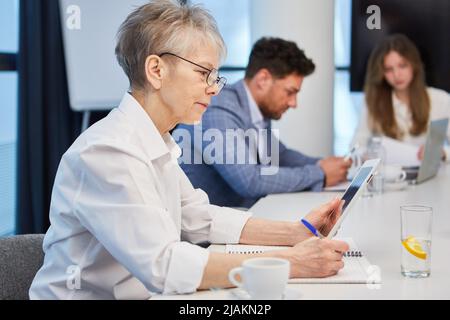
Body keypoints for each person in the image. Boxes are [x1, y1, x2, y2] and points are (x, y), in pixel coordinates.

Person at [29, 0, 348, 300]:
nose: (213, 87)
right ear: (156, 70)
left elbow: (200, 218)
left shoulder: (159, 141)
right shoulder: (107, 152)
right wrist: (291, 262)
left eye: (215, 75)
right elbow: (164, 264)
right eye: (202, 72)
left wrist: (296, 232)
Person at [176, 37, 351, 209]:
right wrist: (320, 173)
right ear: (263, 79)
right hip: (206, 229)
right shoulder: (217, 108)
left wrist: (322, 164)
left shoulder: (255, 111)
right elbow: (249, 180)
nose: (293, 103)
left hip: (242, 214)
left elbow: (280, 154)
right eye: (290, 92)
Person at [352, 34, 450, 162]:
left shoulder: (440, 99)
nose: (397, 75)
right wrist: (364, 154)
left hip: (432, 179)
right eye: (388, 69)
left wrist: (442, 152)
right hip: (391, 178)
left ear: (414, 65)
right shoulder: (372, 102)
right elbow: (356, 145)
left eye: (402, 65)